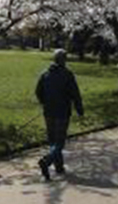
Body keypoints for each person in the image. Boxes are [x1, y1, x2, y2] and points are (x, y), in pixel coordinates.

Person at [35, 49, 84, 181]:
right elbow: (75, 94)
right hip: (62, 112)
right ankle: (47, 161)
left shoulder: (45, 74)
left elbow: (38, 92)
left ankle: (59, 167)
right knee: (59, 142)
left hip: (49, 112)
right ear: (64, 60)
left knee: (53, 140)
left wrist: (44, 102)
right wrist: (80, 110)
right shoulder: (68, 75)